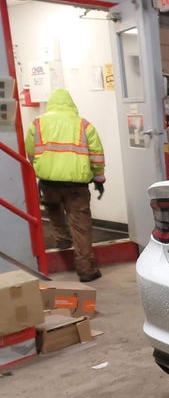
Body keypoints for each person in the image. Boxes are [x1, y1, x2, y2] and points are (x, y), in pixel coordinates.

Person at [25, 88, 106, 282]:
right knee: (81, 226)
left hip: (48, 182)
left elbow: (31, 153)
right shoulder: (84, 125)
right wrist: (99, 180)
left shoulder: (37, 124)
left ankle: (62, 240)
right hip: (76, 185)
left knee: (53, 210)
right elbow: (97, 156)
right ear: (71, 104)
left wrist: (42, 167)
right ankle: (86, 270)